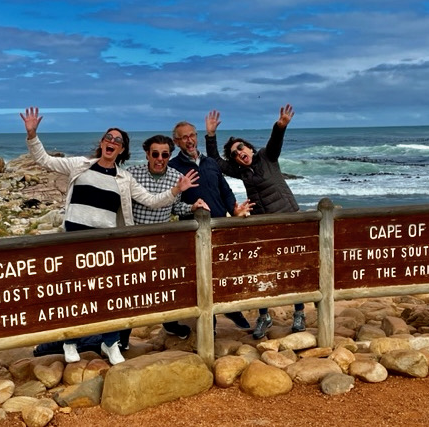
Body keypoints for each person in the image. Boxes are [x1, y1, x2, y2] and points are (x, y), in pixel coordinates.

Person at [20, 107, 200, 364]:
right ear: (102, 143)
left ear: (122, 150)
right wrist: (32, 134)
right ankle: (70, 340)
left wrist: (175, 190)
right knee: (76, 291)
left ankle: (110, 342)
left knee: (111, 293)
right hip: (73, 239)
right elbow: (45, 160)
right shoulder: (79, 165)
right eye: (109, 138)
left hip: (105, 241)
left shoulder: (124, 178)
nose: (112, 142)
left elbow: (151, 200)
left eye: (118, 141)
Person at [204, 104, 306, 339]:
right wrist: (210, 135)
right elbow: (216, 163)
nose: (239, 153)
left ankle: (299, 312)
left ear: (249, 147)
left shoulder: (267, 157)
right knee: (263, 270)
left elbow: (275, 141)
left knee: (294, 266)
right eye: (235, 153)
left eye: (241, 148)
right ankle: (264, 316)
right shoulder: (241, 171)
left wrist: (280, 126)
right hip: (262, 223)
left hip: (288, 219)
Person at [121, 134, 209, 345]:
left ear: (170, 155)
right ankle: (122, 336)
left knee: (165, 285)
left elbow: (175, 208)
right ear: (147, 154)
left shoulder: (176, 177)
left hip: (162, 241)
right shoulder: (132, 174)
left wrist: (192, 207)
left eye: (165, 154)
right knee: (133, 289)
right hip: (136, 240)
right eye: (155, 154)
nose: (160, 158)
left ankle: (169, 323)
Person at [169, 119, 254, 331]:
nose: (189, 140)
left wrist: (234, 210)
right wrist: (191, 206)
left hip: (219, 225)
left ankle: (231, 309)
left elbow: (224, 190)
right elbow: (172, 202)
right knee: (200, 276)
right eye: (184, 137)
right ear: (177, 141)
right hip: (192, 230)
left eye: (192, 135)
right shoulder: (173, 167)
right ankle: (209, 322)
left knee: (222, 272)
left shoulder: (210, 163)